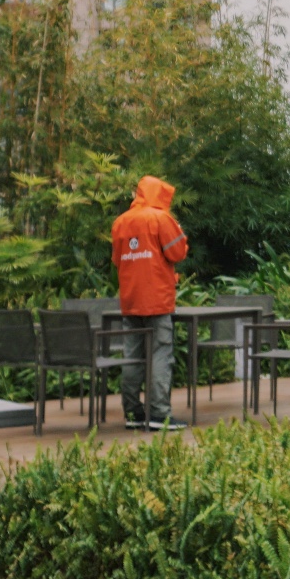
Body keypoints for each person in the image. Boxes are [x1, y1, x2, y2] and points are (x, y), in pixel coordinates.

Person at [110, 175, 189, 432]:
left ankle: (133, 413)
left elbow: (117, 260)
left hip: (131, 299)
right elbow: (178, 252)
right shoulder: (161, 218)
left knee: (132, 356)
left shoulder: (120, 222)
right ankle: (159, 413)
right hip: (157, 300)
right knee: (160, 355)